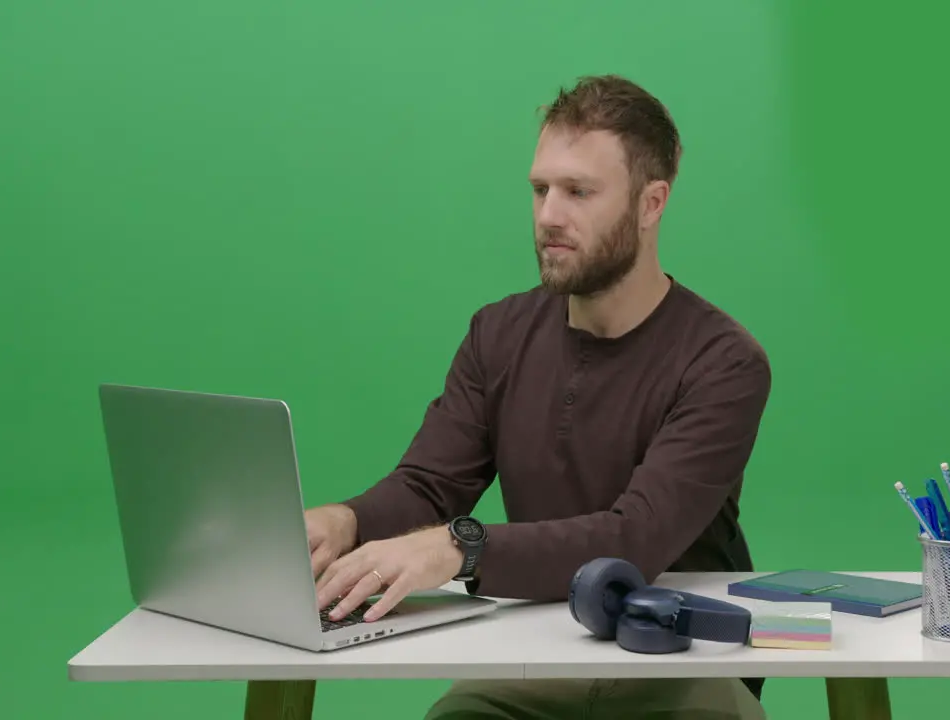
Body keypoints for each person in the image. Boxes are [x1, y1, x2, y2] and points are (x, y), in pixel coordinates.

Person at [304, 74, 772, 719]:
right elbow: (429, 487)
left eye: (579, 192)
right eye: (540, 189)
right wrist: (344, 521)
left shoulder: (724, 362)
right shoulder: (496, 333)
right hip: (539, 652)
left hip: (677, 663)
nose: (550, 214)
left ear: (650, 203)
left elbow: (635, 538)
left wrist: (461, 548)